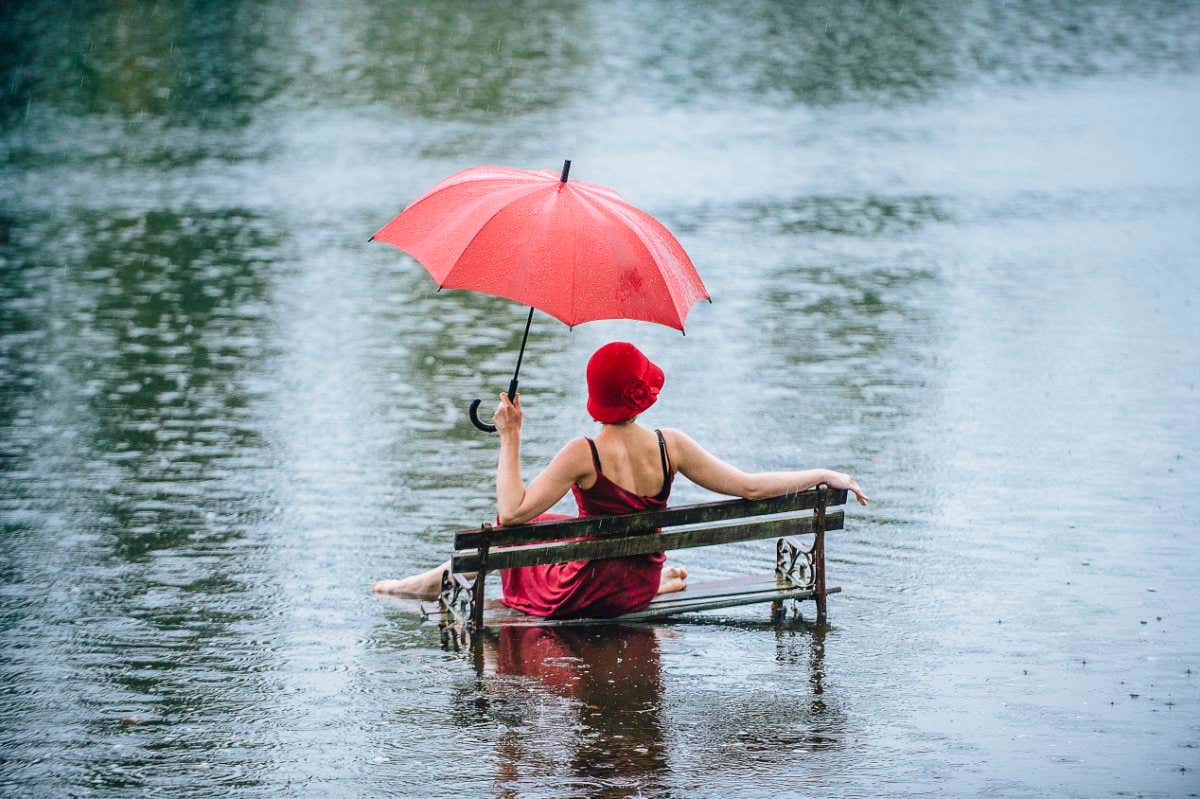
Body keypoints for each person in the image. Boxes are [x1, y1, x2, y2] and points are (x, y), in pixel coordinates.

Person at [372, 341, 868, 618]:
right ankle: (661, 583)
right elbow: (753, 487)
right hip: (635, 582)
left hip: (586, 590)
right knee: (553, 522)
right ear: (639, 396)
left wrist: (510, 435)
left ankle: (420, 584)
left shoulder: (582, 454)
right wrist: (825, 473)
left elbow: (512, 513)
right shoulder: (670, 444)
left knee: (509, 534)